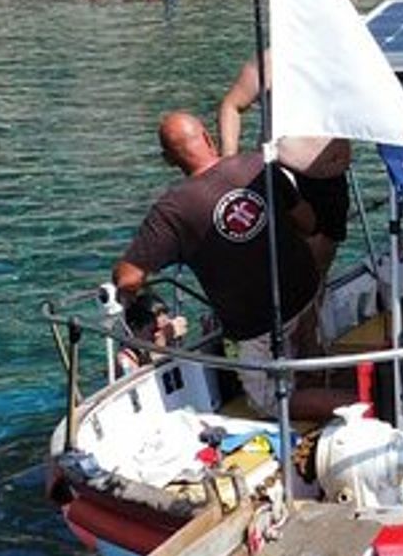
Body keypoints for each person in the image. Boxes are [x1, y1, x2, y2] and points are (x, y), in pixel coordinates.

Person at [112, 112, 338, 419]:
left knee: (270, 402)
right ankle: (319, 381)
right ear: (208, 138)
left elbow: (127, 278)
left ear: (168, 160)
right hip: (305, 290)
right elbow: (309, 223)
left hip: (258, 323)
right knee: (305, 355)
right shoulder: (258, 165)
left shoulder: (170, 212)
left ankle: (358, 407)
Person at [217, 53, 354, 279]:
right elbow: (232, 105)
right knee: (293, 265)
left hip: (333, 179)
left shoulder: (336, 51)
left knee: (322, 262)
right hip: (287, 176)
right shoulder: (271, 60)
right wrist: (228, 165)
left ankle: (314, 311)